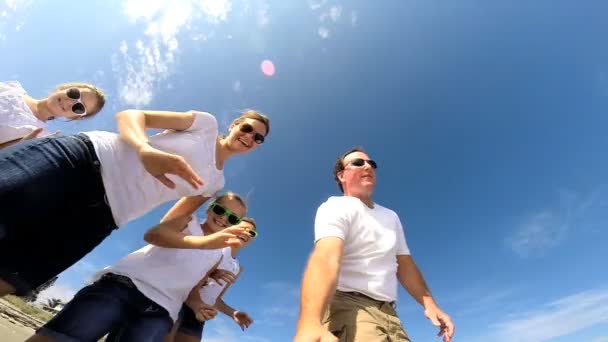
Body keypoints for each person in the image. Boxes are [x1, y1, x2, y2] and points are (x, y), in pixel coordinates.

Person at [0, 107, 270, 299]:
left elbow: (169, 225)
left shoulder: (215, 183)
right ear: (234, 124)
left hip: (105, 216)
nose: (249, 137)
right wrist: (145, 149)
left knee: (14, 276)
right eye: (247, 128)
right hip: (83, 161)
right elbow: (131, 116)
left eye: (258, 138)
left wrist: (206, 246)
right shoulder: (205, 124)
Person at [26, 192, 250, 342]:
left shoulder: (218, 256)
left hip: (161, 312)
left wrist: (199, 306)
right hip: (123, 287)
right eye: (221, 211)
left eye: (232, 219)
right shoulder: (187, 221)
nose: (223, 219)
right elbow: (153, 234)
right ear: (211, 208)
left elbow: (192, 292)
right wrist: (203, 242)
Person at [294, 147, 455, 342]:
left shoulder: (391, 216)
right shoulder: (335, 207)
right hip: (350, 306)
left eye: (372, 164)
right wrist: (309, 322)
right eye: (358, 163)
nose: (368, 166)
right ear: (341, 175)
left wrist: (430, 305)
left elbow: (403, 263)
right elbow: (326, 257)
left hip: (390, 314)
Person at [166, 217, 258, 342]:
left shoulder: (237, 268)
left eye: (251, 232)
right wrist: (209, 274)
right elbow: (181, 272)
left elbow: (216, 299)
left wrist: (233, 313)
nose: (246, 233)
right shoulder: (213, 246)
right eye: (242, 228)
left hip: (199, 315)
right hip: (180, 303)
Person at [0, 81, 105, 149]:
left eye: (79, 107)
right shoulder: (13, 89)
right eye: (74, 93)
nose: (69, 102)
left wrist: (19, 147)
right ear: (64, 88)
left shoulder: (37, 137)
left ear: (74, 117)